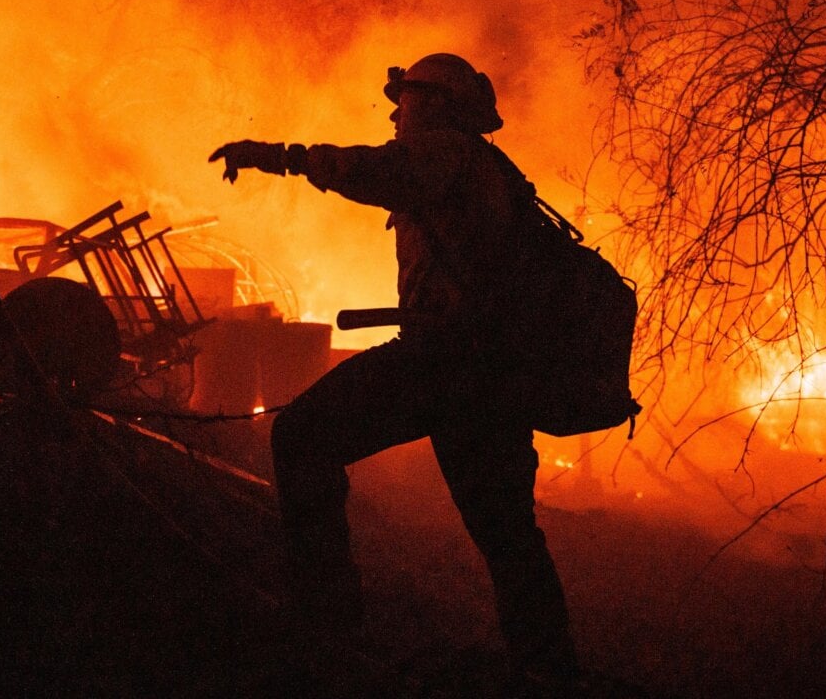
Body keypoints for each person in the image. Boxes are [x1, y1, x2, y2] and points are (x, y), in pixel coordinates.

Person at [208, 52, 580, 686]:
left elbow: (372, 171)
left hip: (445, 362)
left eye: (405, 100)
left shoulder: (444, 153)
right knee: (507, 532)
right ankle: (550, 672)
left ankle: (325, 621)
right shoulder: (486, 167)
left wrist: (279, 154)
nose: (394, 112)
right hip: (490, 374)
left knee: (301, 438)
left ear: (434, 105)